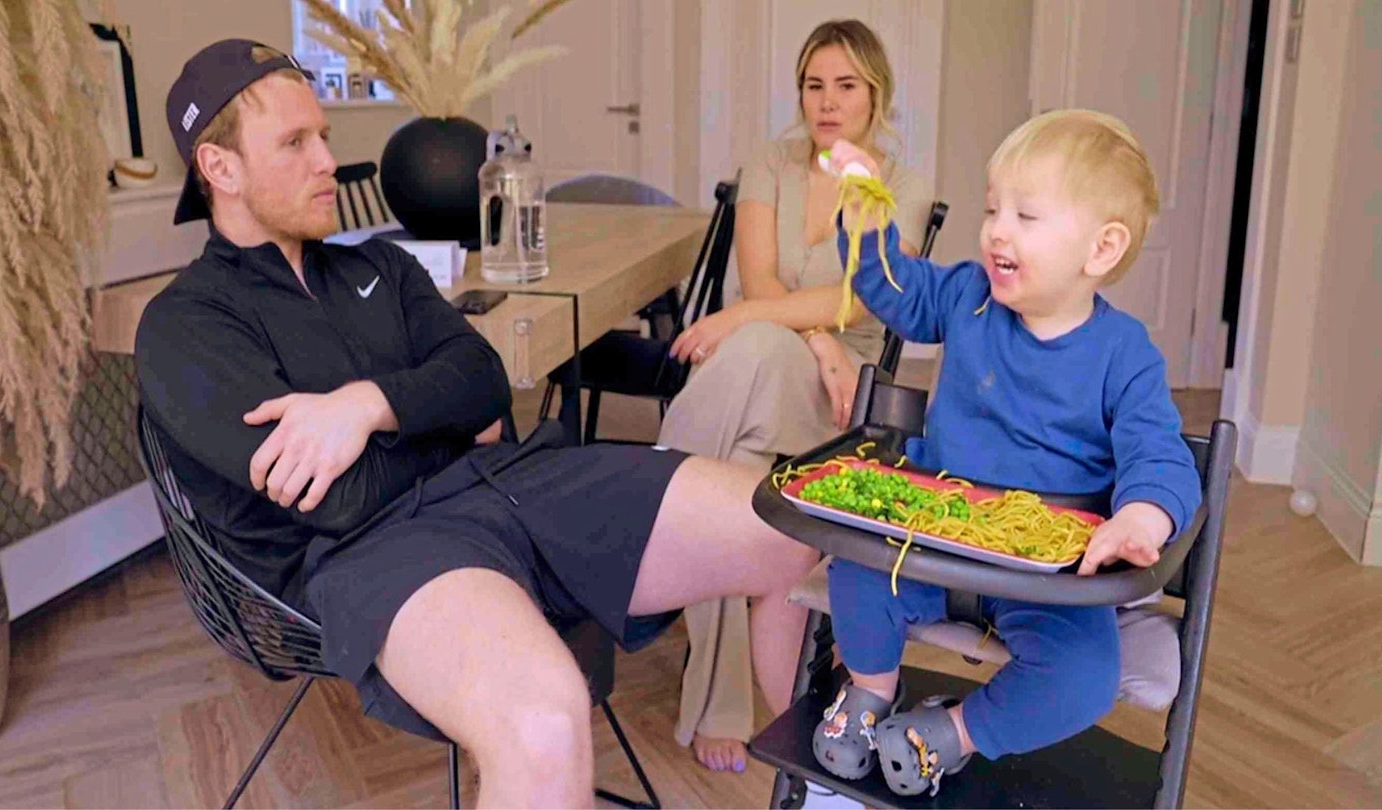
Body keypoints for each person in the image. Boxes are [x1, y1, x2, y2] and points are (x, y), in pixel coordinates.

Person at [135, 40, 819, 807]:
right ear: (220, 169)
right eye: (295, 143)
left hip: (512, 481)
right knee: (543, 726)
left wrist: (370, 407)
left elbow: (487, 384)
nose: (329, 159)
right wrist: (445, 423)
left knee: (795, 528)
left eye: (323, 135)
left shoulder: (382, 268)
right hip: (376, 553)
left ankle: (825, 790)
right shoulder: (185, 327)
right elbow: (341, 499)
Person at [808, 111, 1203, 796]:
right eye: (993, 209)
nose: (997, 229)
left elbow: (1160, 455)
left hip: (1046, 576)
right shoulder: (966, 297)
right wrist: (867, 222)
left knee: (1083, 678)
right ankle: (871, 694)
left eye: (1026, 215)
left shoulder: (1126, 355)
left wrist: (1144, 515)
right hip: (929, 543)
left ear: (1101, 250)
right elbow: (892, 288)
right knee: (855, 572)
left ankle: (953, 733)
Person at [655, 19, 933, 773]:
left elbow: (866, 301)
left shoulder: (900, 185)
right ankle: (679, 481)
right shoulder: (769, 163)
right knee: (738, 459)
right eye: (815, 85)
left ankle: (660, 478)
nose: (827, 102)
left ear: (877, 94)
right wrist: (805, 337)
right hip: (782, 363)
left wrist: (773, 326)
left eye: (846, 86)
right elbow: (762, 281)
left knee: (737, 376)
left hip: (846, 390)